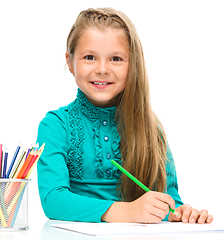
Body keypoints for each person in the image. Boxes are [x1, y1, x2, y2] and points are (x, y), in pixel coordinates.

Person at [36, 7, 213, 224]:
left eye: (116, 59)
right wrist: (128, 212)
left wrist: (182, 213)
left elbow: (169, 203)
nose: (102, 69)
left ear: (133, 65)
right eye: (89, 57)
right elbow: (54, 200)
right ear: (70, 62)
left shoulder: (151, 126)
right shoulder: (55, 126)